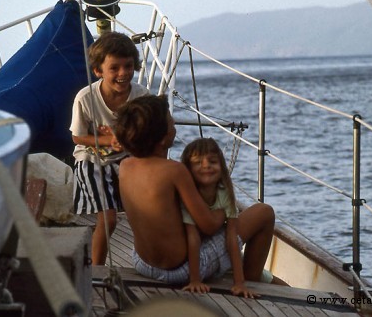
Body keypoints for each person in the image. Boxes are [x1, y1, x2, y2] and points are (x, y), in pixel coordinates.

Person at [114, 95, 279, 297]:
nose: (174, 124)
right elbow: (209, 225)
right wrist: (226, 210)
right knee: (263, 213)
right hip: (180, 271)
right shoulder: (174, 170)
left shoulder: (125, 166)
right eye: (170, 121)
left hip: (143, 263)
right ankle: (251, 281)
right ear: (163, 138)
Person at [70, 31, 149, 265]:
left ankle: (148, 261)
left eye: (128, 66)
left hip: (126, 158)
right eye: (114, 68)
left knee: (147, 211)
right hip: (92, 158)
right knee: (108, 219)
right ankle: (97, 269)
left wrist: (122, 140)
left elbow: (147, 134)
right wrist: (108, 140)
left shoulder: (141, 96)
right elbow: (78, 138)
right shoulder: (85, 98)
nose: (123, 73)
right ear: (98, 71)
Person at [180, 138, 279, 296]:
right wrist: (195, 280)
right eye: (198, 162)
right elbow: (192, 237)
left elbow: (232, 237)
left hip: (220, 245)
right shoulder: (189, 196)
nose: (206, 166)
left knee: (278, 284)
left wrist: (239, 283)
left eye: (212, 161)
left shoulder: (224, 191)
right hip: (197, 254)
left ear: (221, 166)